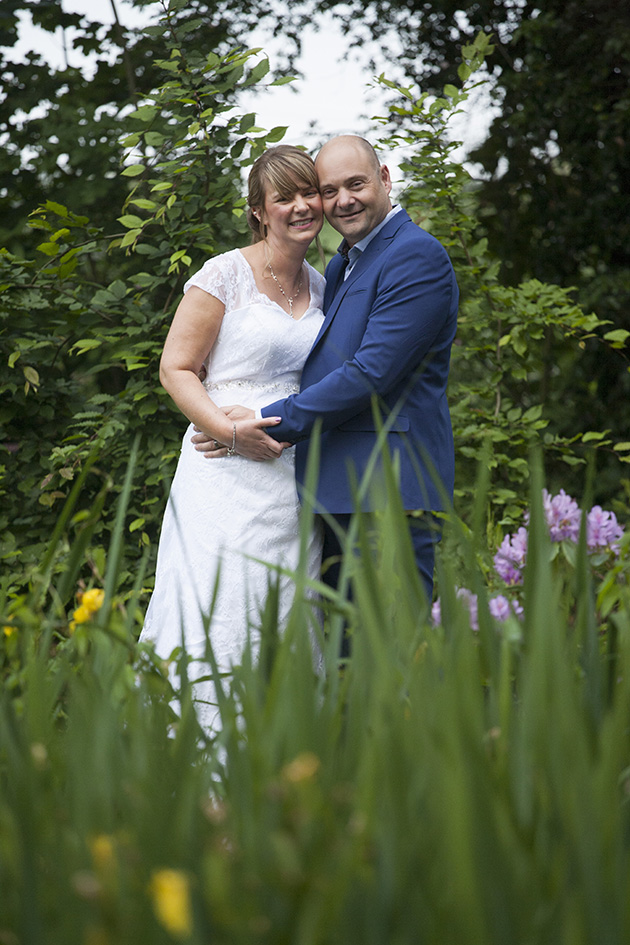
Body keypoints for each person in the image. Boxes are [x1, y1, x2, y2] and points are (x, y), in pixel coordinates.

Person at [193, 135, 459, 609]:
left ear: (384, 178)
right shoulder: (341, 267)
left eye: (356, 184)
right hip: (336, 491)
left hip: (389, 488)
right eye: (330, 190)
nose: (343, 201)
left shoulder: (414, 255)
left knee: (390, 656)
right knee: (344, 657)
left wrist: (261, 422)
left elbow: (370, 373)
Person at [140, 145, 325, 733]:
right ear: (259, 211)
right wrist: (227, 429)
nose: (302, 206)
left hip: (293, 479)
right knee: (223, 608)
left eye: (309, 192)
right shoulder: (223, 274)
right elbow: (176, 368)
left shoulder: (324, 285)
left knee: (292, 609)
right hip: (222, 471)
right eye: (285, 197)